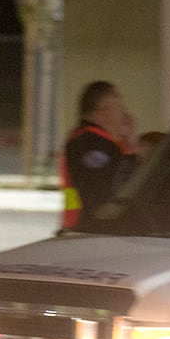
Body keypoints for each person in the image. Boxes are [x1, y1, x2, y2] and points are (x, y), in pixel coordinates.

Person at [57, 80, 137, 231]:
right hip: (91, 230)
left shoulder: (87, 140)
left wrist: (129, 145)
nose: (125, 114)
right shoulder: (93, 145)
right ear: (104, 112)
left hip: (81, 227)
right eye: (119, 107)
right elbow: (109, 190)